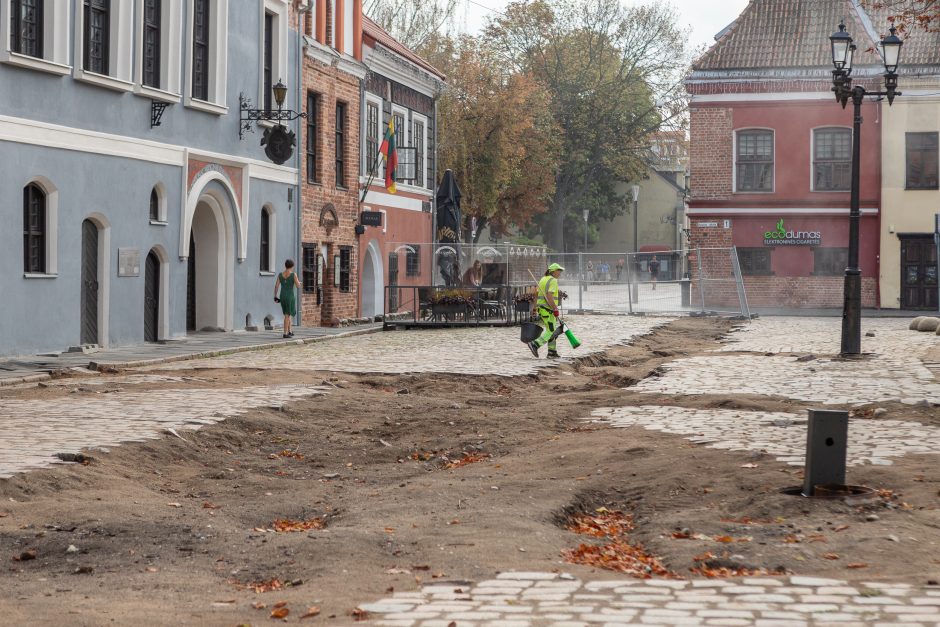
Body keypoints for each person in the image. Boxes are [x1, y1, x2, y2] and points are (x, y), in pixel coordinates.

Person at [528, 263, 565, 359]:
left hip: (542, 309)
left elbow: (536, 294)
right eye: (559, 270)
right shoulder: (553, 280)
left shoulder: (543, 279)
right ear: (553, 271)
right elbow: (549, 295)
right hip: (548, 310)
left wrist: (535, 308)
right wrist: (555, 309)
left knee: (551, 330)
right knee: (551, 330)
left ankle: (552, 352)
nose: (560, 272)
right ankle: (535, 344)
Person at [274, 259, 301, 338]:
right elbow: (298, 286)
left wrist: (275, 296)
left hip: (282, 295)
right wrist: (299, 282)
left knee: (289, 313)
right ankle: (285, 333)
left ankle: (290, 331)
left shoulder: (280, 275)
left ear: (285, 265)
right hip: (290, 296)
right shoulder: (293, 274)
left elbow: (276, 286)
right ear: (292, 266)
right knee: (287, 315)